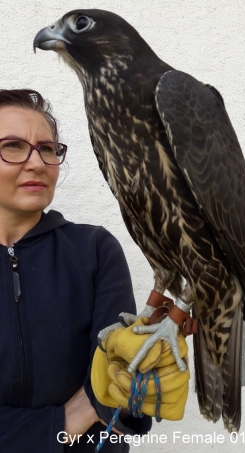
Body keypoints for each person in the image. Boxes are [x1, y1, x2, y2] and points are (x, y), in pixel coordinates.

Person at [0, 89, 152, 453]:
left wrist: (135, 390)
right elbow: (87, 406)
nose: (37, 163)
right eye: (13, 146)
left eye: (48, 149)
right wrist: (64, 421)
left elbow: (112, 399)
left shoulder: (94, 251)